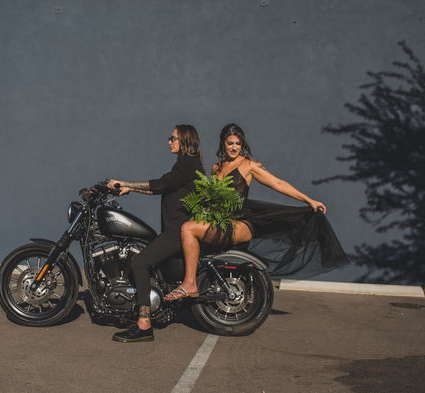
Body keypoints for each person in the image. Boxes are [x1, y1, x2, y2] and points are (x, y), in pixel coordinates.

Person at [165, 123, 348, 300]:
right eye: (230, 143)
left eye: (238, 143)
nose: (234, 147)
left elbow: (277, 183)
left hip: (241, 223)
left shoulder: (249, 165)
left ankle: (189, 284)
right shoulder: (216, 168)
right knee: (187, 230)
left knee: (188, 228)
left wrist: (308, 200)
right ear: (223, 143)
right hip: (220, 222)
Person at [107, 125, 205, 342]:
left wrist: (125, 182)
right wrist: (130, 188)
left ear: (186, 140)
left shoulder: (188, 163)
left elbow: (161, 184)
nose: (169, 142)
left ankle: (144, 324)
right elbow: (161, 187)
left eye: (173, 138)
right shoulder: (186, 164)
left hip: (176, 232)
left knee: (139, 263)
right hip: (173, 229)